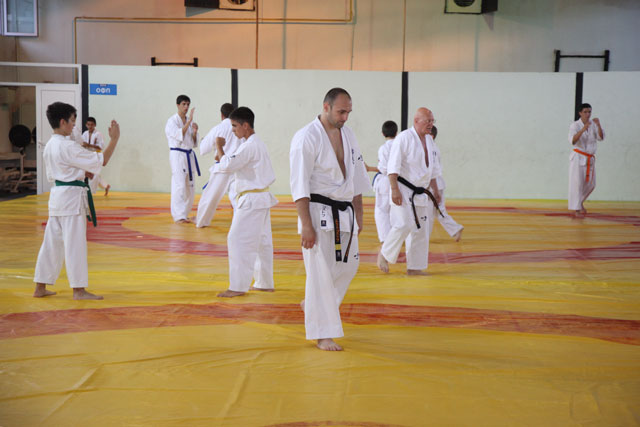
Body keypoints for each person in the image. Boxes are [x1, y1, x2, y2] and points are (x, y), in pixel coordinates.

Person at [290, 88, 370, 351]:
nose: (345, 117)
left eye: (348, 112)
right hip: (317, 211)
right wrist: (306, 225)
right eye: (341, 111)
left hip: (344, 212)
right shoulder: (306, 137)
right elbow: (299, 185)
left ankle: (313, 305)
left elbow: (357, 176)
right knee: (320, 273)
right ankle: (322, 334)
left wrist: (359, 213)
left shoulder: (348, 134)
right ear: (326, 107)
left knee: (349, 267)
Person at [33, 102, 120, 300]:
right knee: (75, 244)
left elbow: (62, 170)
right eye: (72, 121)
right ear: (62, 122)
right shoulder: (68, 146)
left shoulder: (50, 145)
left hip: (57, 196)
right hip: (71, 199)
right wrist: (114, 139)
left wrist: (81, 172)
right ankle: (79, 290)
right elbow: (102, 160)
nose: (74, 125)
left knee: (51, 243)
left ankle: (40, 287)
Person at [216, 107, 278, 298]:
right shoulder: (257, 143)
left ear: (245, 125)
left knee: (236, 239)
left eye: (235, 126)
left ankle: (237, 286)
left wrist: (219, 147)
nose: (233, 130)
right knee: (262, 241)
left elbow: (227, 165)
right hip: (260, 198)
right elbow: (233, 162)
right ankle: (264, 282)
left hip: (252, 200)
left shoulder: (249, 146)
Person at [377, 107, 441, 276]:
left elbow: (433, 169)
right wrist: (394, 189)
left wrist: (435, 189)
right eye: (428, 121)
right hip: (403, 189)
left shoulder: (430, 141)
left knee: (421, 230)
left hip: (421, 192)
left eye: (432, 121)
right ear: (416, 120)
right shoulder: (404, 138)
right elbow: (393, 166)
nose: (431, 124)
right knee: (403, 223)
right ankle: (384, 254)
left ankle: (414, 267)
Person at [195, 103, 238, 228]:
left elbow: (203, 149)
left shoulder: (218, 128)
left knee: (209, 197)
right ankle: (242, 222)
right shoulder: (239, 128)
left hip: (222, 168)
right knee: (237, 197)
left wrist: (203, 140)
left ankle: (201, 221)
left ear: (222, 115)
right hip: (236, 167)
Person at [166, 94, 200, 223]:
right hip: (178, 155)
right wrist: (189, 122)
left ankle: (184, 214)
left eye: (188, 104)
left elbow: (193, 142)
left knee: (190, 187)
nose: (186, 107)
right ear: (178, 105)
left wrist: (195, 132)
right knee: (179, 185)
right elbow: (179, 135)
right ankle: (178, 216)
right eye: (183, 104)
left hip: (189, 155)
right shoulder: (172, 121)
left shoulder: (189, 122)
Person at [568, 103, 605, 217]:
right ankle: (577, 209)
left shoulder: (593, 124)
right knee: (577, 184)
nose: (588, 114)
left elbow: (601, 138)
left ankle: (579, 203)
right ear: (580, 113)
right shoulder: (575, 125)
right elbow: (573, 141)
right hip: (578, 157)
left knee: (591, 184)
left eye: (589, 112)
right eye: (585, 112)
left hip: (589, 158)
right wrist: (583, 129)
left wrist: (598, 125)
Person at [427, 125, 463, 241]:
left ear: (431, 136)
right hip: (437, 183)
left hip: (433, 184)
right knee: (439, 211)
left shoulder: (430, 148)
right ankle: (455, 229)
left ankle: (424, 237)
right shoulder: (433, 147)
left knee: (428, 212)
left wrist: (432, 188)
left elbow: (431, 169)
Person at [372, 120, 398, 245]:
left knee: (382, 211)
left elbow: (383, 168)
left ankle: (385, 239)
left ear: (382, 133)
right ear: (396, 133)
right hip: (399, 182)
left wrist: (371, 168)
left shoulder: (384, 148)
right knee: (396, 211)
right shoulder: (400, 146)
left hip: (385, 182)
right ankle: (395, 238)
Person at [82, 117, 111, 196]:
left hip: (96, 156)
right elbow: (83, 144)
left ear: (95, 125)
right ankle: (106, 186)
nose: (90, 126)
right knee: (90, 173)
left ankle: (90, 192)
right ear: (86, 125)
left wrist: (89, 145)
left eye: (92, 125)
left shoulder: (98, 134)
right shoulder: (85, 134)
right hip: (88, 156)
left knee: (94, 174)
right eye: (88, 124)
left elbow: (100, 147)